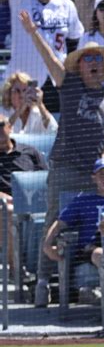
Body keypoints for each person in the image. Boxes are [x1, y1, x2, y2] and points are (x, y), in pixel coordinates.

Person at [19, 11, 104, 306]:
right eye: (89, 59)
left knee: (93, 224)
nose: (94, 64)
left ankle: (82, 282)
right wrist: (34, 32)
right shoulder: (69, 85)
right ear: (80, 66)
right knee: (53, 221)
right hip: (64, 167)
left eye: (99, 60)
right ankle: (44, 282)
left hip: (95, 172)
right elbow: (51, 61)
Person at [42, 158, 104, 304]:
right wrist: (47, 245)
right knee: (100, 254)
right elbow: (59, 224)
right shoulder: (83, 200)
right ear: (93, 178)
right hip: (90, 249)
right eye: (101, 174)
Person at [8, 0, 83, 112]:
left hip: (57, 79)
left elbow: (75, 40)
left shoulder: (66, 5)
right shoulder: (21, 0)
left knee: (57, 126)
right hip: (25, 79)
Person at [0, 113, 47, 280]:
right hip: (6, 205)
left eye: (0, 125)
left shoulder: (29, 151)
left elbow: (45, 178)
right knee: (8, 211)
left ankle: (47, 274)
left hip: (35, 202)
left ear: (10, 127)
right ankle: (17, 270)